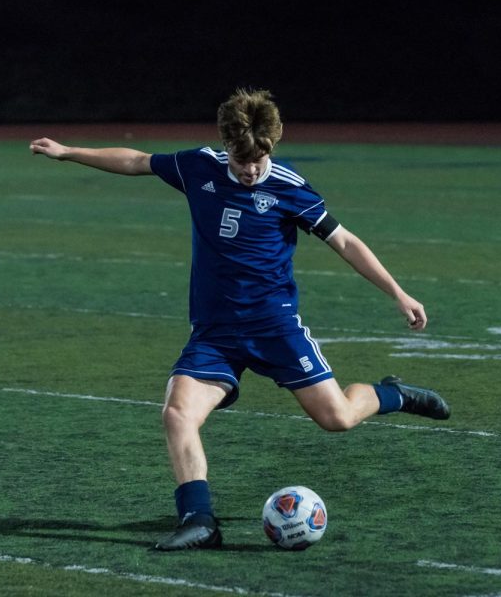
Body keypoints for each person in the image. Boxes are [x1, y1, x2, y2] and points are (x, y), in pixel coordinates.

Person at [30, 89, 450, 550]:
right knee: (177, 413)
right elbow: (137, 161)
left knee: (338, 418)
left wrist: (398, 292)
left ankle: (393, 393)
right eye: (240, 159)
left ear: (272, 145)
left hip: (275, 328)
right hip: (215, 334)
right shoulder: (199, 166)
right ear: (225, 144)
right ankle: (199, 520)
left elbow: (345, 242)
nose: (250, 170)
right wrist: (68, 152)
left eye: (258, 159)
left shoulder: (290, 186)